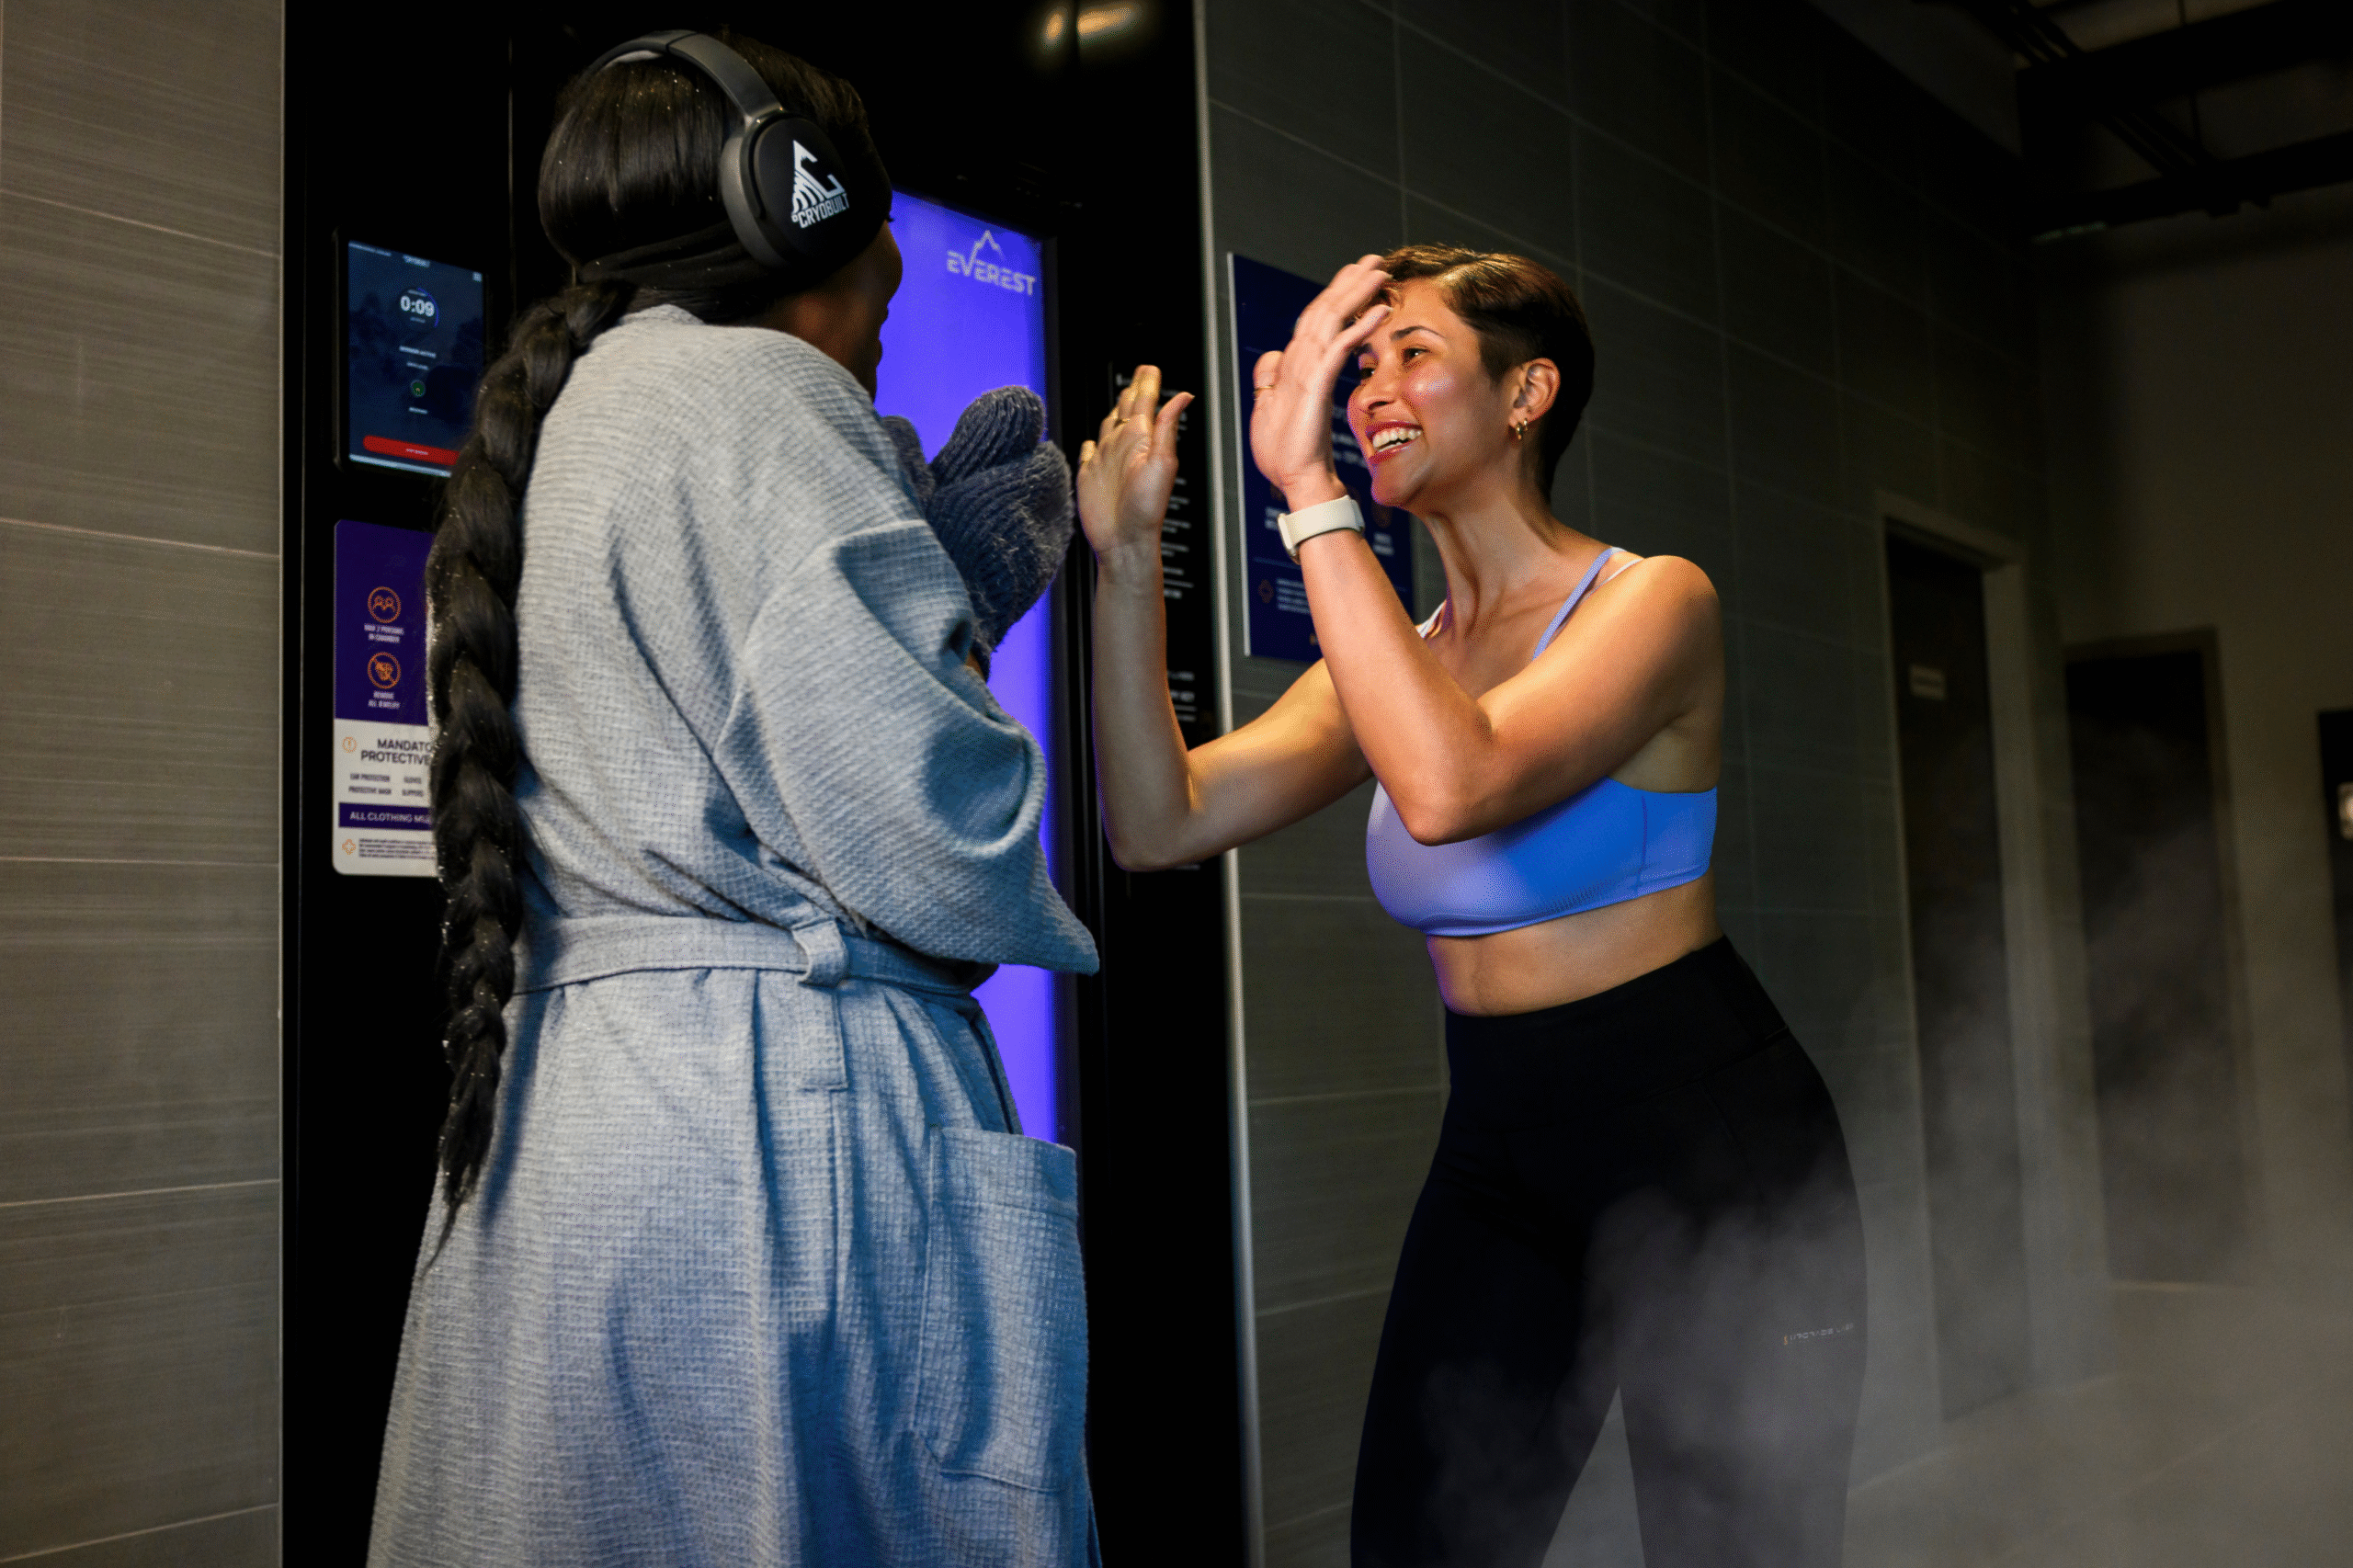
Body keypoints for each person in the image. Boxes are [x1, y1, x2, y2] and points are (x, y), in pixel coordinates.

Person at [369, 31, 1100, 1567]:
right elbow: (948, 848)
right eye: (884, 311)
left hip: (573, 1145)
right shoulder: (758, 390)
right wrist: (957, 605)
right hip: (767, 1166)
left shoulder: (549, 426)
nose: (875, 358)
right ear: (798, 216)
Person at [1077, 249, 1868, 1567]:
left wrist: (1308, 492)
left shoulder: (1653, 602)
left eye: (1415, 354)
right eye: (1362, 360)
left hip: (1712, 1143)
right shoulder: (1401, 662)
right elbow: (1158, 823)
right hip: (1502, 1142)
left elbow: (1455, 782)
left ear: (1527, 392)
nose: (1372, 388)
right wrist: (1119, 563)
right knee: (1417, 1545)